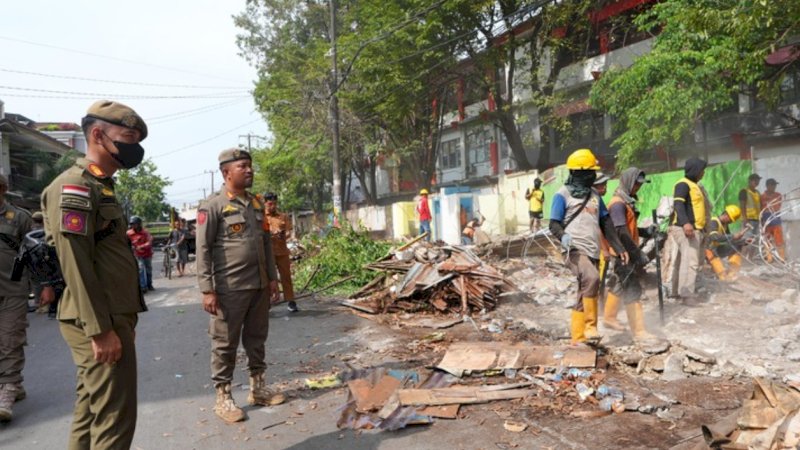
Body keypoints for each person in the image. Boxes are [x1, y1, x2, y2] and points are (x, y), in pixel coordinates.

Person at [42, 99, 148, 447]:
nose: (135, 147)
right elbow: (74, 260)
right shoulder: (75, 185)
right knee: (115, 421)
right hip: (98, 318)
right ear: (99, 135)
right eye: (128, 137)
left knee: (90, 413)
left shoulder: (100, 185)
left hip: (109, 314)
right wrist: (100, 329)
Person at [197, 148, 284, 424]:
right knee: (225, 343)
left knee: (257, 338)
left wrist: (272, 279)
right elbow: (203, 249)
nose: (249, 171)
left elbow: (266, 246)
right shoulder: (213, 206)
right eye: (243, 166)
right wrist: (207, 289)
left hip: (258, 285)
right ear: (226, 172)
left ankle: (258, 388)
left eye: (250, 166)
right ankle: (224, 397)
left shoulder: (257, 204)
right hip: (229, 288)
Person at [549, 149, 627, 345]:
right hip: (573, 249)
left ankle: (578, 338)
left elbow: (606, 223)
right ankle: (591, 327)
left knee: (585, 290)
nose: (593, 175)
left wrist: (618, 248)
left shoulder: (594, 195)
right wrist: (563, 236)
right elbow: (553, 223)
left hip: (592, 250)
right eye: (590, 171)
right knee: (591, 278)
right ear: (578, 173)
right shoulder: (562, 195)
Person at [600, 168, 658, 343]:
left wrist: (645, 231)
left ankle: (609, 318)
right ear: (628, 182)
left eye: (640, 184)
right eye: (636, 184)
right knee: (633, 289)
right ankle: (639, 331)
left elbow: (628, 229)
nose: (638, 187)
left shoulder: (625, 201)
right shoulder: (618, 204)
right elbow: (620, 231)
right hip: (623, 253)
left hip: (623, 252)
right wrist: (636, 252)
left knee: (619, 284)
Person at [0, 174, 33, 422]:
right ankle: (14, 385)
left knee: (10, 339)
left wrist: (46, 286)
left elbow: (34, 254)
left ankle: (7, 393)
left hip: (13, 290)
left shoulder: (20, 217)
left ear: (3, 189)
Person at [662, 157, 708, 304]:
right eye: (702, 170)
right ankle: (686, 295)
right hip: (686, 229)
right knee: (690, 261)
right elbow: (678, 205)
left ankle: (676, 291)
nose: (703, 173)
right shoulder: (683, 184)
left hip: (692, 228)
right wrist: (686, 223)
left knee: (682, 260)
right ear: (695, 170)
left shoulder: (694, 185)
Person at [264, 192, 297, 312]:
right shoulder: (262, 217)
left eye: (275, 204)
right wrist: (271, 235)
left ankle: (291, 301)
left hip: (282, 251)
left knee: (286, 277)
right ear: (265, 203)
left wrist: (283, 235)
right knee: (268, 278)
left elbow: (289, 232)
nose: (273, 206)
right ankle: (268, 301)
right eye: (270, 204)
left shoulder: (283, 216)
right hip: (268, 253)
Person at [706, 205, 748, 280]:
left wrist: (743, 241)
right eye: (730, 220)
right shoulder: (714, 221)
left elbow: (729, 240)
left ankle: (732, 273)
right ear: (726, 215)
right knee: (711, 252)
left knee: (736, 246)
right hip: (708, 250)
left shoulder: (725, 225)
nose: (730, 222)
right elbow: (714, 237)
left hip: (716, 249)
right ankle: (723, 276)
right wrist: (733, 236)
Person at [127, 216, 155, 291]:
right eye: (132, 224)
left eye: (134, 224)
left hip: (147, 253)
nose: (133, 226)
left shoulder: (145, 232)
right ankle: (143, 286)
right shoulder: (129, 233)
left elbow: (149, 242)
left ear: (139, 224)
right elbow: (127, 242)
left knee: (148, 269)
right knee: (141, 268)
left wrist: (141, 246)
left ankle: (149, 284)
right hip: (137, 254)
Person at [761, 178, 785, 261]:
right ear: (768, 186)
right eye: (773, 185)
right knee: (767, 241)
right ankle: (769, 258)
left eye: (775, 185)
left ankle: (782, 258)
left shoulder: (778, 195)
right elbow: (761, 209)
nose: (774, 187)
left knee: (779, 240)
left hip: (776, 221)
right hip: (766, 222)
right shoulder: (762, 197)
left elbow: (778, 207)